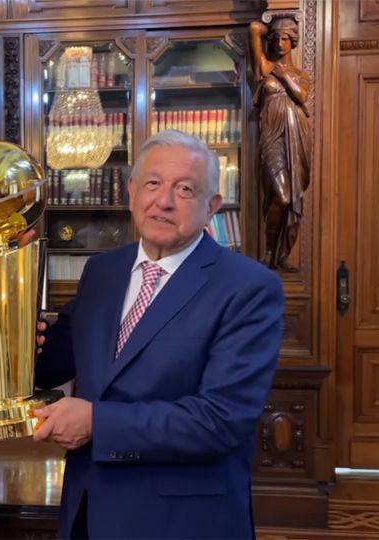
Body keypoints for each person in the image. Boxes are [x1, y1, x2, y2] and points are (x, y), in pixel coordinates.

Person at [33, 130, 284, 539]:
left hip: (182, 520)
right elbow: (52, 363)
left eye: (185, 189)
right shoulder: (103, 272)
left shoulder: (248, 287)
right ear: (131, 191)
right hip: (89, 509)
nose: (163, 201)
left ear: (211, 208)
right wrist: (15, 327)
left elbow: (220, 420)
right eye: (152, 183)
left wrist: (98, 422)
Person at [249, 17, 313, 272]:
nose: (279, 42)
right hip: (271, 136)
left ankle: (281, 255)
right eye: (275, 38)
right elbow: (255, 28)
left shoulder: (300, 75)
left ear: (293, 42)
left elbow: (301, 95)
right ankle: (268, 251)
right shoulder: (264, 66)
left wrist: (284, 76)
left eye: (285, 38)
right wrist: (271, 28)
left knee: (291, 196)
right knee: (282, 195)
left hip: (295, 134)